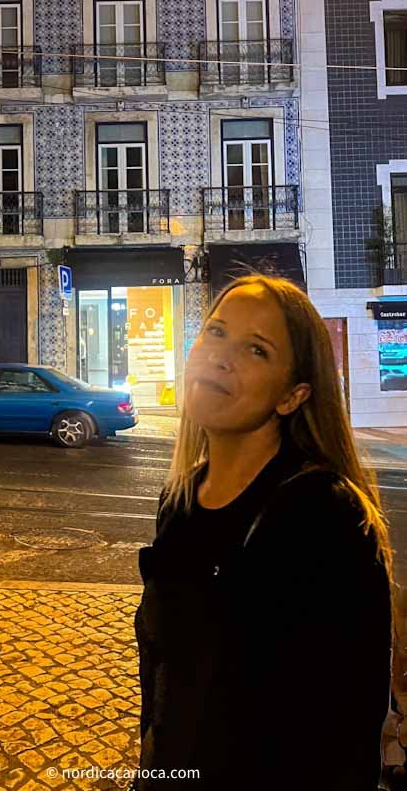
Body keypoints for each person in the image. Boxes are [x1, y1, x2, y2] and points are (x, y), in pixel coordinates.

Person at [132, 272, 397, 791]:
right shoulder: (180, 499)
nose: (221, 357)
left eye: (256, 350)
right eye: (215, 333)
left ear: (292, 395)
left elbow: (349, 728)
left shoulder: (325, 515)